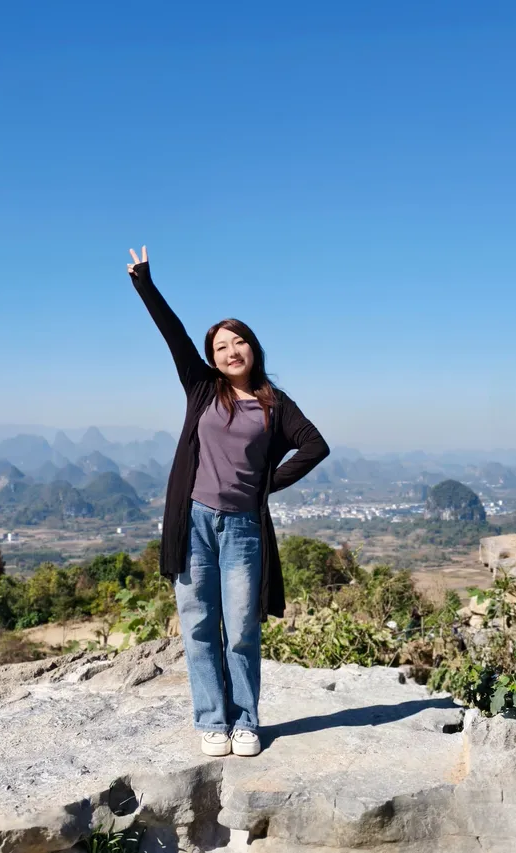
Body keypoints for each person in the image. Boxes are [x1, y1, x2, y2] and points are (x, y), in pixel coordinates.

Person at [127, 246, 330, 757]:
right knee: (197, 624)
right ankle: (211, 720)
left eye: (238, 341)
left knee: (240, 627)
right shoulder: (201, 388)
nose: (231, 350)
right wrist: (145, 283)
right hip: (193, 521)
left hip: (242, 527)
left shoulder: (274, 404)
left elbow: (315, 446)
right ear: (212, 357)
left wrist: (268, 485)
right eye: (221, 346)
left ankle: (245, 722)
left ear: (253, 348)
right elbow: (172, 334)